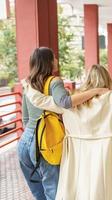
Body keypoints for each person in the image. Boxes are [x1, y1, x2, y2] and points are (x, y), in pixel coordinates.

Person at [23, 56, 112, 200]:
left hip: (78, 155)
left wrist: (27, 86)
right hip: (109, 152)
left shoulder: (70, 103)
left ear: (87, 79)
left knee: (80, 189)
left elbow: (40, 100)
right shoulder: (111, 98)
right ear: (107, 79)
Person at [19, 47, 106, 200]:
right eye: (54, 57)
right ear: (48, 62)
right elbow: (65, 102)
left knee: (38, 192)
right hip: (45, 144)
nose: (57, 60)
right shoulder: (54, 81)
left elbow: (25, 119)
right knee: (53, 191)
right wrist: (95, 91)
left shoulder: (29, 84)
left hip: (25, 143)